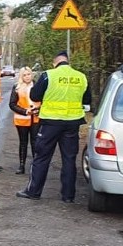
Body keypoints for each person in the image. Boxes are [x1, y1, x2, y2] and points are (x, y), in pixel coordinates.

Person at [16, 50, 91, 203]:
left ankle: (33, 191)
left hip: (50, 123)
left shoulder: (48, 75)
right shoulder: (81, 77)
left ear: (54, 63)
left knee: (42, 157)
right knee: (69, 159)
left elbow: (34, 96)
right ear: (68, 62)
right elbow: (87, 99)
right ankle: (68, 196)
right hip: (72, 123)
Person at [8, 66, 40, 175]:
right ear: (21, 76)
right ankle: (21, 165)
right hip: (22, 119)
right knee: (23, 142)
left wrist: (38, 110)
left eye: (29, 74)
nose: (27, 77)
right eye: (25, 75)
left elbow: (44, 101)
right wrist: (25, 111)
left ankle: (35, 166)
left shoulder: (37, 86)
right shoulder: (17, 87)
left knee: (35, 142)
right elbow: (12, 104)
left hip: (36, 118)